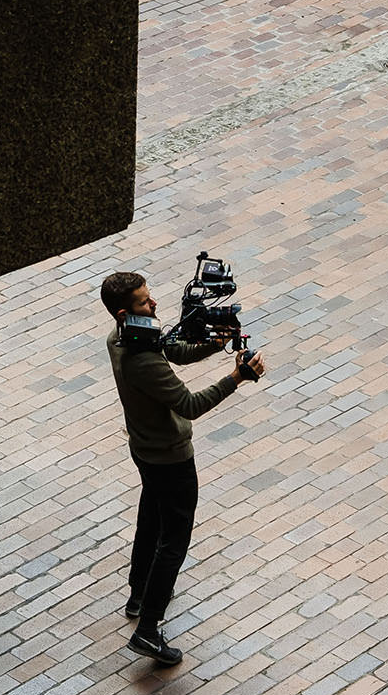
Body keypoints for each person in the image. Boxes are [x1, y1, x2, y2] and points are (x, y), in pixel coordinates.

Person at [101, 270, 266, 667]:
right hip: (170, 458)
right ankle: (148, 630)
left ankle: (139, 594)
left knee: (151, 520)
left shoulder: (122, 337)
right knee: (173, 542)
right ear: (126, 312)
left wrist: (213, 343)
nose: (154, 304)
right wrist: (237, 377)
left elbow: (172, 350)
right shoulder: (141, 362)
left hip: (144, 449)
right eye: (144, 301)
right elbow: (189, 404)